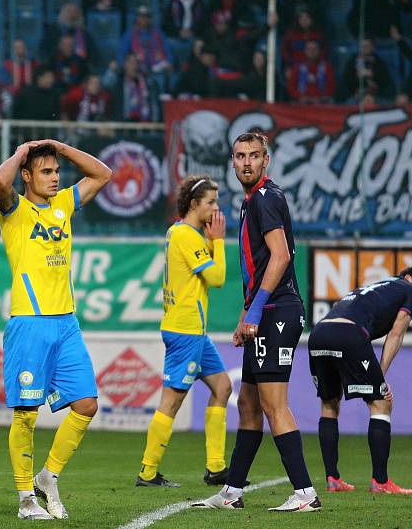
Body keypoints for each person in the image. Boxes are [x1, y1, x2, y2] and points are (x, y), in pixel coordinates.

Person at [194, 131, 320, 512]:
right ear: (232, 162)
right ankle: (232, 492)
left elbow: (280, 257)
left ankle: (304, 493)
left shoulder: (265, 198)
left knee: (272, 404)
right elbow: (261, 264)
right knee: (248, 404)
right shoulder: (253, 201)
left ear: (265, 161)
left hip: (276, 312)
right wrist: (243, 315)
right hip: (264, 311)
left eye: (253, 156)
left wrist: (254, 311)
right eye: (239, 156)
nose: (246, 162)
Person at [0, 140, 111, 520]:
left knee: (87, 404)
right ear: (27, 175)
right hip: (29, 322)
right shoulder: (15, 210)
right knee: (26, 414)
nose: (56, 178)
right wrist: (21, 152)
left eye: (57, 171)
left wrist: (60, 147)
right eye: (46, 171)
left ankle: (48, 476)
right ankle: (26, 498)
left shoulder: (64, 205)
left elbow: (103, 174)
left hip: (66, 323)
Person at [136, 176, 231, 488]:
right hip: (185, 330)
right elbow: (217, 277)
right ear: (194, 204)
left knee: (222, 387)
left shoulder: (182, 233)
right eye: (211, 202)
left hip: (194, 332)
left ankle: (216, 468)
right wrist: (218, 240)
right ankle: (147, 472)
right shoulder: (187, 236)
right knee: (172, 402)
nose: (216, 209)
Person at [309, 270, 412, 495]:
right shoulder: (408, 289)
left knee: (329, 403)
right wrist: (380, 378)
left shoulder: (380, 286)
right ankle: (381, 481)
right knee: (381, 403)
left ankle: (333, 478)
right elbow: (396, 334)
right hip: (348, 333)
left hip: (318, 333)